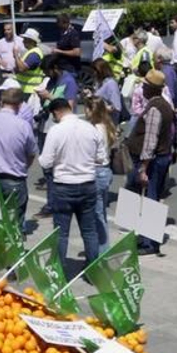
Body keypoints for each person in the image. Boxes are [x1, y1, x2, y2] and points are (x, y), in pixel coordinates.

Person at [39, 96, 105, 264]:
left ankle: (59, 272)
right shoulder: (90, 128)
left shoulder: (56, 131)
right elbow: (101, 158)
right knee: (89, 231)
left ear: (56, 113)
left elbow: (45, 162)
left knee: (61, 233)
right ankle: (93, 270)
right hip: (88, 183)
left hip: (63, 186)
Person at [0, 86, 39, 233]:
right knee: (13, 225)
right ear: (19, 105)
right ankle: (10, 255)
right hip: (14, 178)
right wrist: (23, 166)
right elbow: (31, 153)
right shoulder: (23, 125)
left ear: (1, 102)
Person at [129, 70, 177, 254]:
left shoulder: (156, 108)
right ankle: (146, 238)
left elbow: (150, 141)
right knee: (152, 198)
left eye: (145, 85)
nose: (143, 88)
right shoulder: (163, 105)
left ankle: (149, 243)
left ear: (151, 88)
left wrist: (143, 168)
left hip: (155, 160)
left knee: (151, 199)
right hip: (162, 157)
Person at [85, 99, 118, 247]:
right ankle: (101, 248)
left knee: (97, 215)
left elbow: (94, 154)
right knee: (100, 212)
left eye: (87, 109)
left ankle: (102, 250)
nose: (85, 112)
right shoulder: (107, 126)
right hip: (105, 170)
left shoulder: (94, 130)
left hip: (97, 170)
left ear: (93, 111)